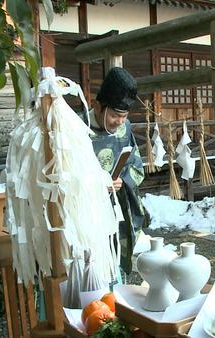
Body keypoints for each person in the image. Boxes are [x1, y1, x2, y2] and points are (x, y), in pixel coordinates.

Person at [86, 67, 146, 274]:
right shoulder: (77, 128)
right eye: (114, 115)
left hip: (117, 206)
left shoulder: (124, 127)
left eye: (124, 116)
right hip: (87, 211)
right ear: (97, 106)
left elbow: (136, 167)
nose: (119, 122)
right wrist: (95, 184)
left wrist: (124, 181)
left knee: (117, 261)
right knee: (91, 267)